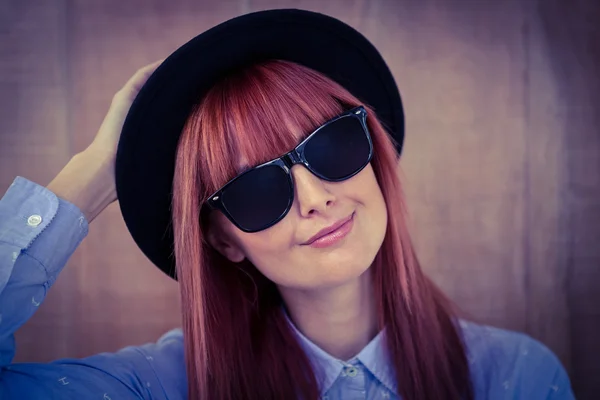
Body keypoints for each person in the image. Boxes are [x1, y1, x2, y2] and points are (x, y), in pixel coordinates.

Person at [0, 10, 576, 400]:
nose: (315, 198)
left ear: (373, 153)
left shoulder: (515, 377)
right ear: (224, 239)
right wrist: (99, 172)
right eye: (256, 189)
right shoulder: (164, 386)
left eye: (333, 145)